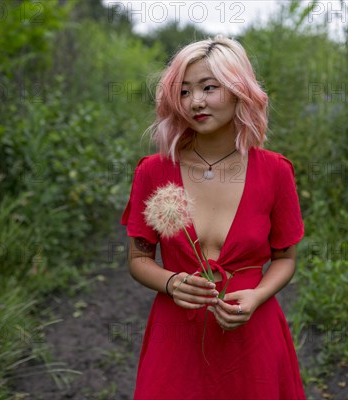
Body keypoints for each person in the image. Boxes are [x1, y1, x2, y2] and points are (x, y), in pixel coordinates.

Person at [121, 35, 306, 400]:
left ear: (240, 90)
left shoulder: (275, 172)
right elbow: (139, 259)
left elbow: (285, 259)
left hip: (252, 332)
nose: (196, 102)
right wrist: (172, 282)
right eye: (185, 91)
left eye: (209, 87)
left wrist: (256, 296)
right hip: (176, 335)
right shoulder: (154, 171)